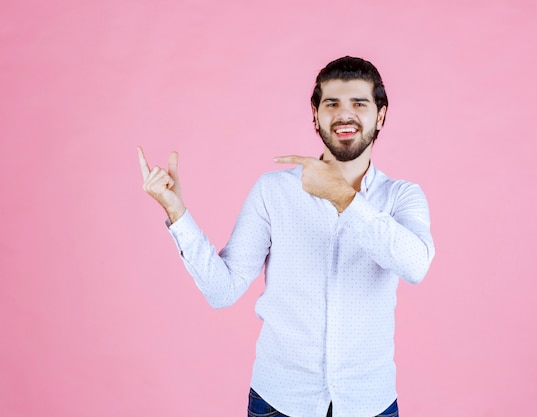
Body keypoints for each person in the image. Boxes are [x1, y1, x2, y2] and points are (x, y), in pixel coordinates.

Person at [138, 56, 435, 417]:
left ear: (381, 115)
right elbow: (223, 289)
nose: (345, 114)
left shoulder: (402, 196)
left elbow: (415, 265)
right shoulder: (273, 191)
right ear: (315, 115)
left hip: (369, 403)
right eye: (332, 104)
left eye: (359, 103)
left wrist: (342, 196)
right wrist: (177, 213)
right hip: (279, 401)